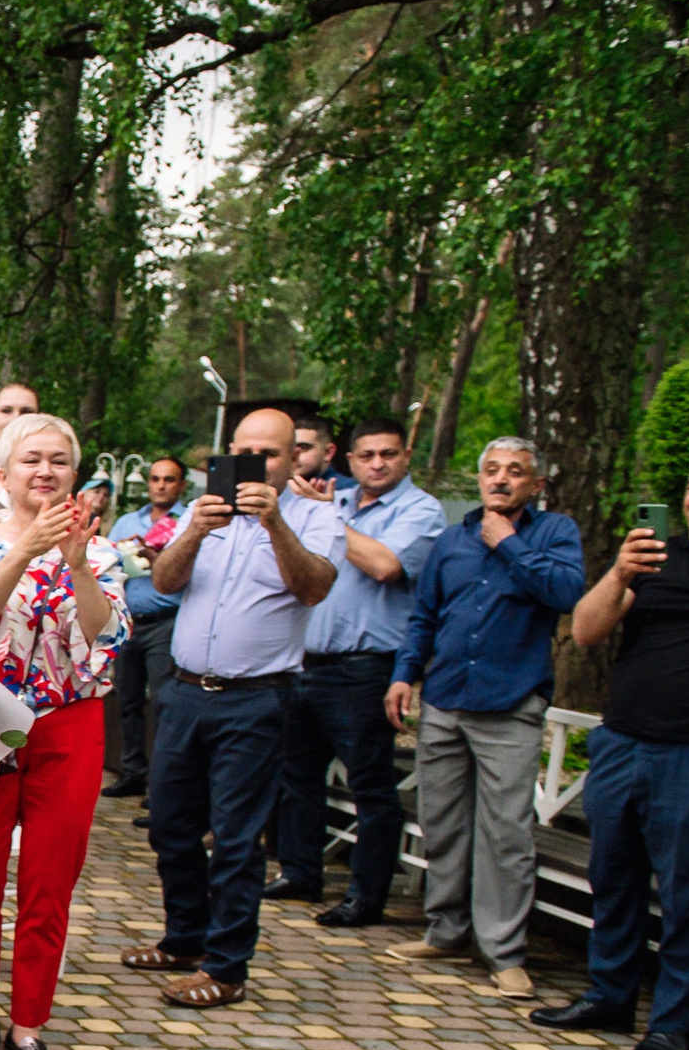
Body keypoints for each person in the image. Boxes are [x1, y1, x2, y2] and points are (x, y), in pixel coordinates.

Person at [530, 442, 689, 1050]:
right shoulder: (652, 558)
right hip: (622, 744)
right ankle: (609, 996)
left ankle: (672, 1024)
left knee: (685, 891)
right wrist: (619, 572)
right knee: (611, 877)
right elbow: (586, 632)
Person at [0, 412, 129, 1050]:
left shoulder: (101, 550)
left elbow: (107, 635)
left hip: (70, 724)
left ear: (75, 473)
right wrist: (23, 551)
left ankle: (30, 1024)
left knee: (49, 881)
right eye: (32, 460)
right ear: (4, 473)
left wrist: (76, 566)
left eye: (59, 461)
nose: (45, 472)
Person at [126, 406, 343, 1008]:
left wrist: (275, 524)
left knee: (237, 839)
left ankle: (226, 966)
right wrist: (195, 530)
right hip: (185, 690)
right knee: (169, 823)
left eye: (268, 454)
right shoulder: (205, 512)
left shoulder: (316, 516)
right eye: (242, 451)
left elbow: (315, 586)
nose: (254, 464)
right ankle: (183, 938)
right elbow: (165, 583)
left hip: (257, 699)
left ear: (294, 458)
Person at [386, 437, 586, 998]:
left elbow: (568, 592)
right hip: (446, 698)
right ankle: (446, 930)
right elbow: (424, 615)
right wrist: (405, 674)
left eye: (515, 472)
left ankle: (503, 951)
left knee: (505, 833)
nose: (501, 480)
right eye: (492, 470)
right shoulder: (453, 540)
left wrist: (512, 546)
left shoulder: (554, 534)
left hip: (510, 702)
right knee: (443, 821)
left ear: (536, 484)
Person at [267, 417, 445, 927]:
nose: (377, 464)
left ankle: (366, 898)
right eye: (366, 455)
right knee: (297, 776)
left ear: (405, 456)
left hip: (364, 668)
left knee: (371, 786)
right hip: (306, 661)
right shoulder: (336, 501)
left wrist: (327, 521)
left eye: (388, 454)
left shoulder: (421, 510)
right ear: (349, 460)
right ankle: (300, 872)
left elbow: (387, 566)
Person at [102, 455, 188, 798]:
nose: (161, 485)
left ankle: (161, 785)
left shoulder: (187, 522)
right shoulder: (126, 521)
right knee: (128, 700)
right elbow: (106, 559)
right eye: (155, 478)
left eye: (169, 479)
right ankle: (133, 771)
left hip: (165, 623)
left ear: (181, 485)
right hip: (129, 622)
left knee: (164, 704)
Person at [295, 413, 356, 491]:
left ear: (328, 452)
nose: (293, 454)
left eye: (304, 447)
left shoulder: (348, 490)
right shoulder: (282, 489)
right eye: (290, 447)